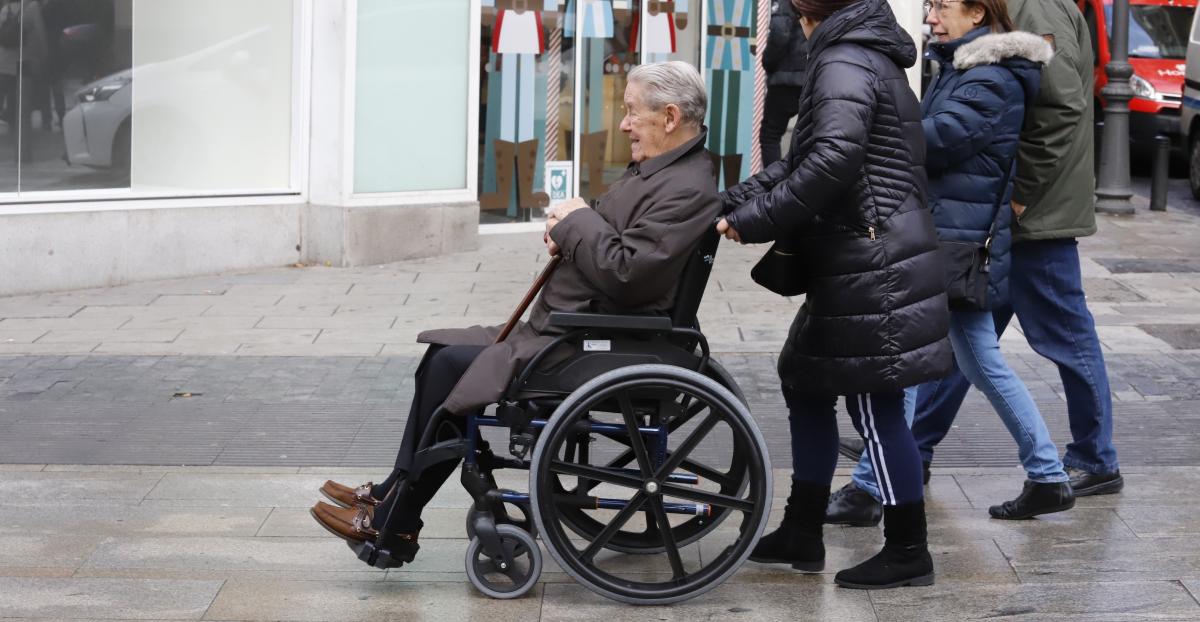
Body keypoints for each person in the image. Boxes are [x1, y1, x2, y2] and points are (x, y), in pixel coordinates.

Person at [309, 61, 724, 565]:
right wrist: (568, 229)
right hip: (575, 327)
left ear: (671, 116)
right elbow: (615, 246)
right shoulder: (667, 173)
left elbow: (626, 273)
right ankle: (392, 494)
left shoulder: (684, 187)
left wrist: (576, 220)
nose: (623, 124)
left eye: (632, 112)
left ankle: (396, 523)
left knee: (451, 366)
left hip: (594, 339)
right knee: (441, 353)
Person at [841, 0, 1122, 501]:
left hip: (1029, 216)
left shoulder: (1031, 10)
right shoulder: (994, 26)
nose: (932, 14)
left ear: (976, 13)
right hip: (986, 218)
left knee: (1060, 335)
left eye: (941, 5)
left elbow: (1060, 109)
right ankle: (908, 452)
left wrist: (1019, 195)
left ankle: (1092, 457)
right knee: (963, 343)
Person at [717, 0, 954, 590]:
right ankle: (803, 529)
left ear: (808, 15)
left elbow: (830, 163)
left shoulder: (844, 59)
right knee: (805, 382)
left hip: (874, 261)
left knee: (875, 407)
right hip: (859, 255)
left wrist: (754, 220)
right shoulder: (858, 54)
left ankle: (908, 549)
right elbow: (805, 159)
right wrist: (729, 202)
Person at [759, 0, 808, 164]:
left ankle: (774, 179)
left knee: (770, 135)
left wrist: (768, 62)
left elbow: (780, 33)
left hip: (784, 80)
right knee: (808, 137)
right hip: (812, 77)